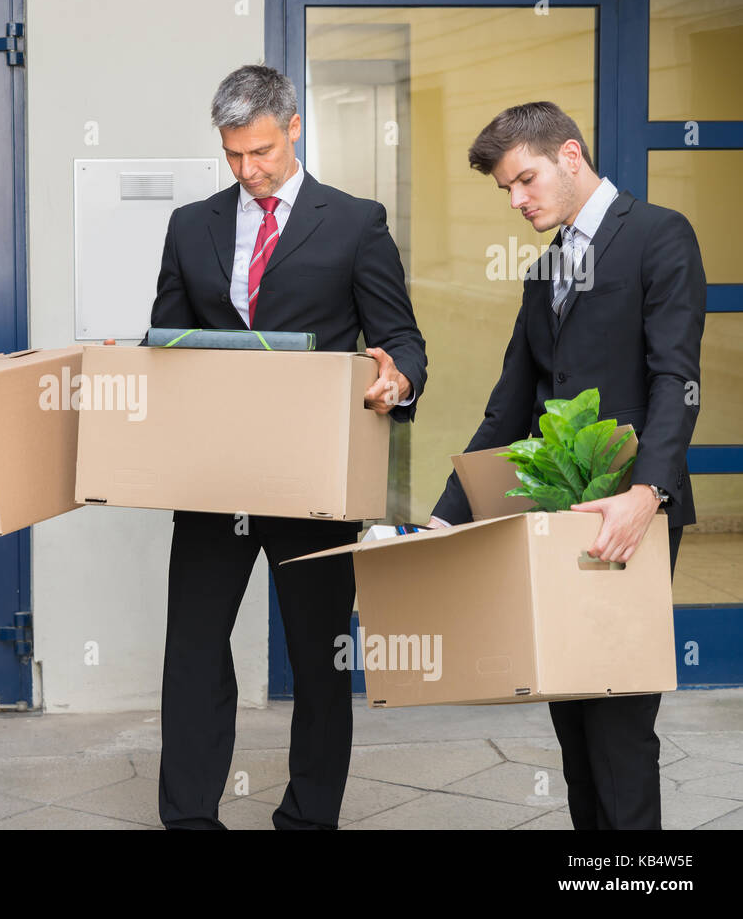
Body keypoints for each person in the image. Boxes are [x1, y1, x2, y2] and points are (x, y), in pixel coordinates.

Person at [150, 65, 428, 829]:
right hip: (214, 476)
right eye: (233, 155)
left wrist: (397, 378)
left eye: (262, 152)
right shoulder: (190, 225)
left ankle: (308, 817)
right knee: (195, 651)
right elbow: (167, 343)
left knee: (317, 656)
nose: (248, 170)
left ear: (294, 126)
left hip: (315, 475)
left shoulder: (356, 222)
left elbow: (399, 337)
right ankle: (189, 817)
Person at [430, 101, 706, 830]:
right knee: (574, 725)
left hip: (629, 517)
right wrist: (441, 517)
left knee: (617, 723)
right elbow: (508, 408)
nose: (517, 200)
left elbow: (675, 379)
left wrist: (649, 491)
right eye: (506, 191)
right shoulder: (545, 265)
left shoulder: (658, 236)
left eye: (525, 180)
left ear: (572, 156)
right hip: (555, 518)